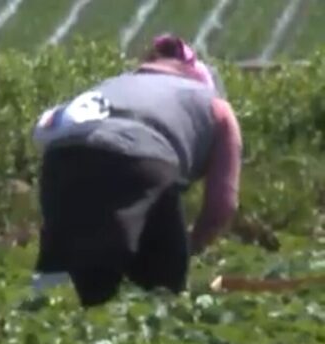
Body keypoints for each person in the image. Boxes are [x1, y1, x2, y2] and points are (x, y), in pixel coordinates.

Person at [30, 34, 242, 307]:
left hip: (61, 159)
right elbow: (222, 205)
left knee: (63, 264)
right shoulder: (216, 106)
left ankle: (46, 309)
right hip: (142, 161)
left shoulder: (117, 84)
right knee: (161, 283)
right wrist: (195, 244)